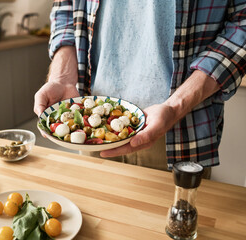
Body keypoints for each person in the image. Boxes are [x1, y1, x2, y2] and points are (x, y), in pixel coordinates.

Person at [34, 0, 246, 175]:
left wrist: (176, 106)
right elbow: (65, 6)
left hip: (178, 132)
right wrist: (62, 77)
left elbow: (243, 22)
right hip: (91, 130)